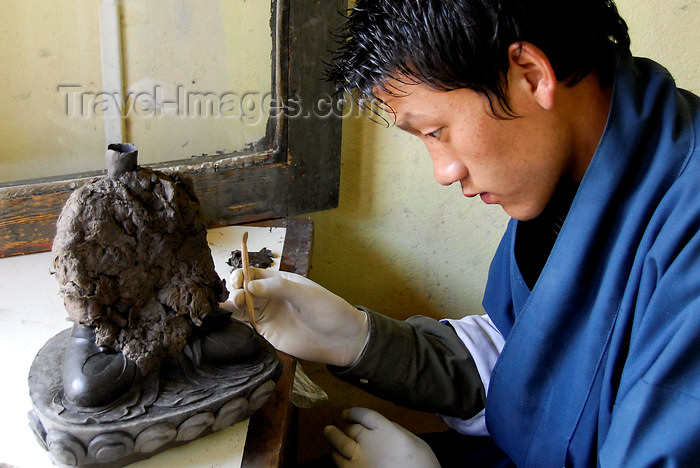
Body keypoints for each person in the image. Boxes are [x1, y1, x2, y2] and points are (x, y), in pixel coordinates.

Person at [224, 0, 700, 466]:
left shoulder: (686, 241)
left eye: (435, 131)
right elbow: (531, 363)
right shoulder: (576, 167)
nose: (445, 172)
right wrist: (355, 339)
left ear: (531, 75)